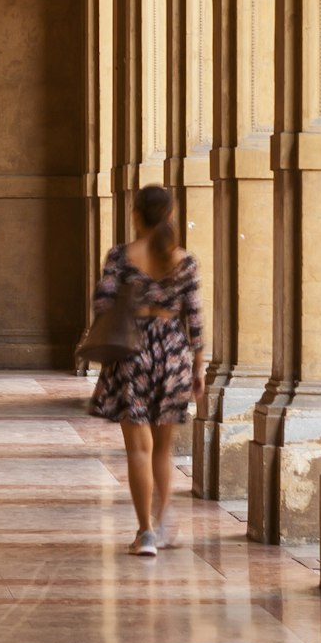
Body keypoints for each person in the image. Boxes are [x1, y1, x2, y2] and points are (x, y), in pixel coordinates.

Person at [85, 183, 203, 554]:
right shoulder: (184, 261)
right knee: (162, 450)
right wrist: (198, 366)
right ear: (169, 216)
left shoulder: (120, 257)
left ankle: (145, 532)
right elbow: (195, 319)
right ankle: (164, 520)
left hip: (132, 351)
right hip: (171, 352)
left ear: (136, 216)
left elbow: (101, 304)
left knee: (138, 448)